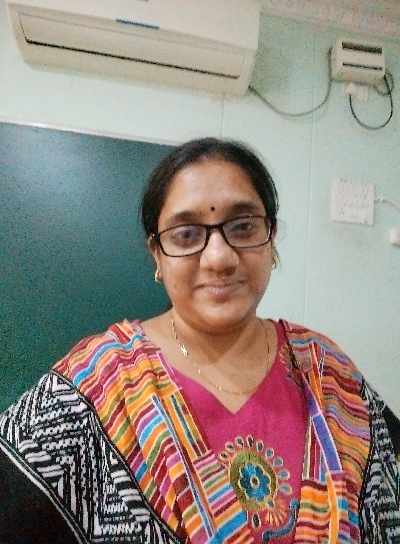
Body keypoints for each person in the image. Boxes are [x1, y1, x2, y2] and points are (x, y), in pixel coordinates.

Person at [0, 138, 399, 544]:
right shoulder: (100, 380)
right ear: (157, 254)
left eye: (243, 227)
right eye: (187, 234)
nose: (219, 258)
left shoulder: (326, 370)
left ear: (271, 237)